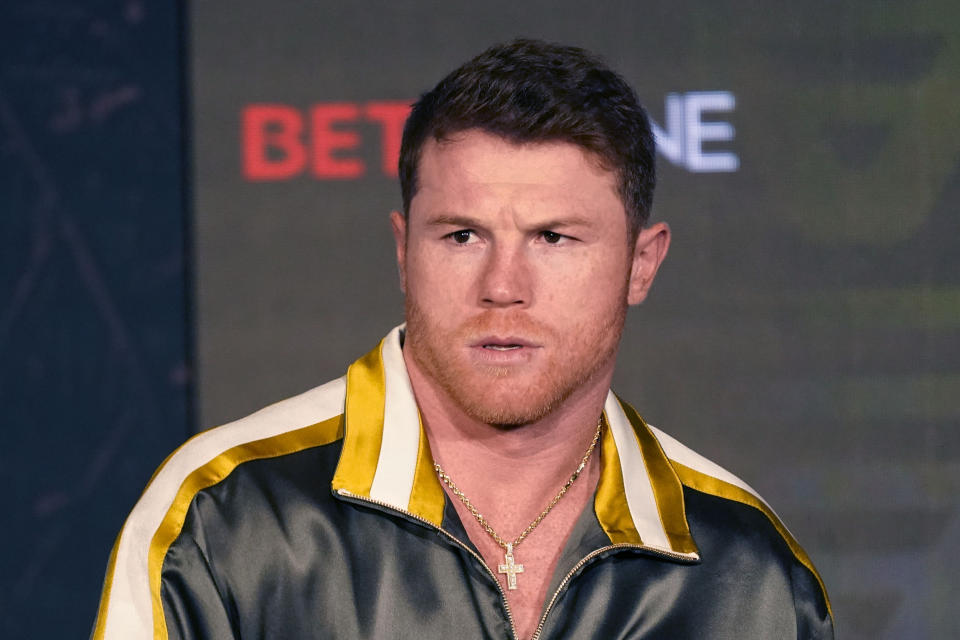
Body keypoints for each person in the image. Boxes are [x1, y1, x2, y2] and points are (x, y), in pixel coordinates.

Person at [91, 39, 833, 639]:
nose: (503, 284)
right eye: (462, 234)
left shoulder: (748, 569)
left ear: (642, 263)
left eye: (553, 237)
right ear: (403, 249)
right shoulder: (225, 519)